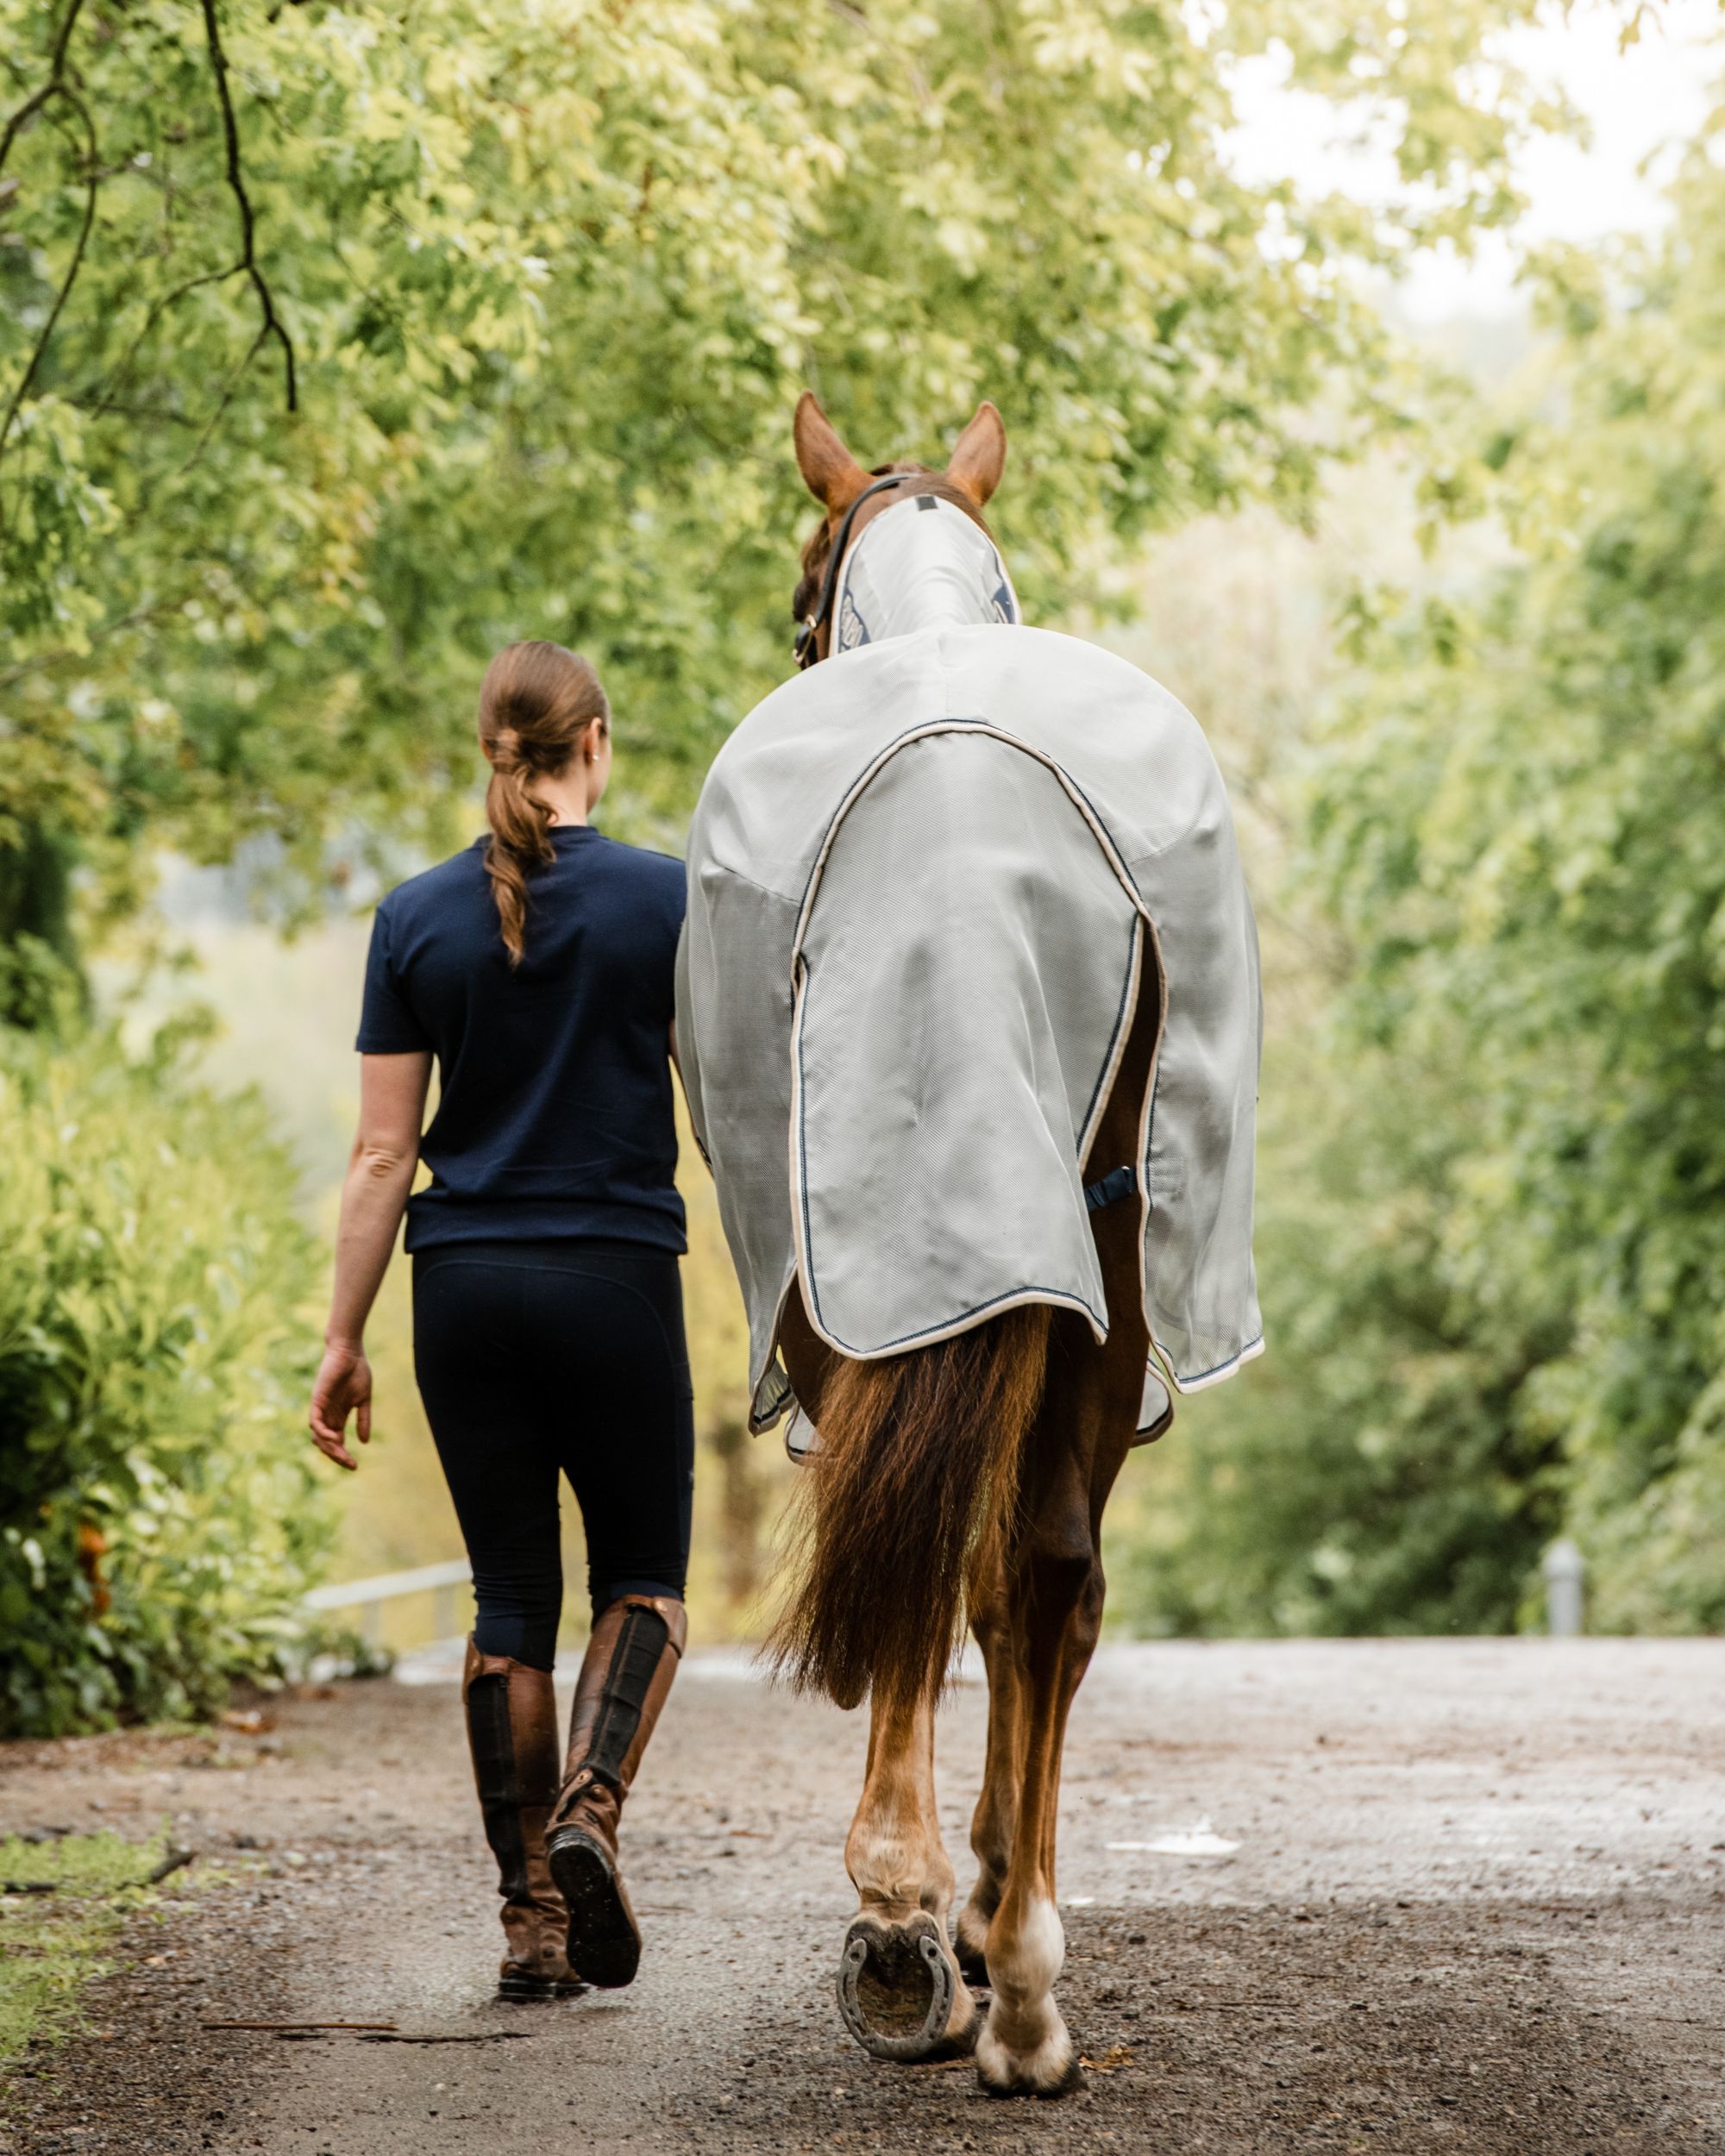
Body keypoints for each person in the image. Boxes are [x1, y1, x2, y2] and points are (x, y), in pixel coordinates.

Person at [307, 640, 693, 2001]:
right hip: (616, 1283)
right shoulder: (668, 903)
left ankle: (532, 1922)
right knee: (642, 1578)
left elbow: (377, 1157)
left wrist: (343, 1338)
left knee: (508, 1603)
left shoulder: (414, 919)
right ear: (595, 742)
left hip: (461, 1289)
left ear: (492, 749)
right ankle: (590, 1805)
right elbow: (742, 1119)